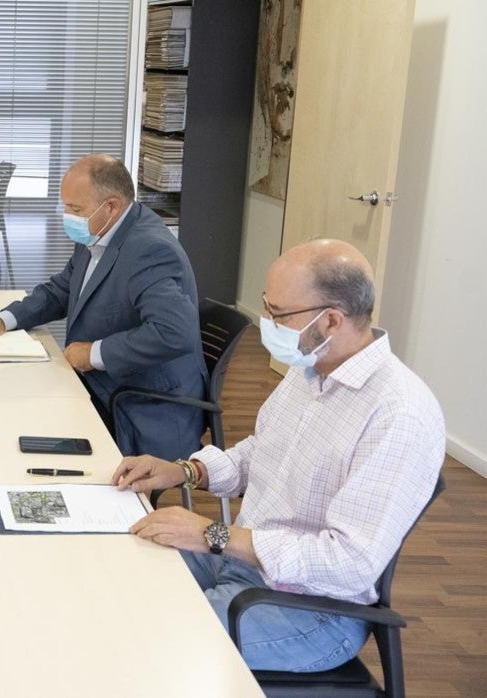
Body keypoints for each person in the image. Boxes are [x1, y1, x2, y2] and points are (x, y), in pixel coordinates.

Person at [112, 239, 445, 673]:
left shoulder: (398, 414)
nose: (264, 321)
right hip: (245, 564)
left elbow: (349, 564)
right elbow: (260, 456)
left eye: (277, 313)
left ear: (330, 320)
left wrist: (215, 536)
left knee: (146, 641)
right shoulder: (311, 369)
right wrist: (183, 470)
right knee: (118, 576)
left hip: (314, 610)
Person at [0, 154, 205, 460]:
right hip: (102, 384)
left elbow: (175, 333)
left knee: (23, 430)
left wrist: (94, 353)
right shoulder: (100, 230)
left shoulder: (150, 251)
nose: (66, 216)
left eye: (75, 209)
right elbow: (63, 288)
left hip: (142, 403)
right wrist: (6, 319)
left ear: (111, 206)